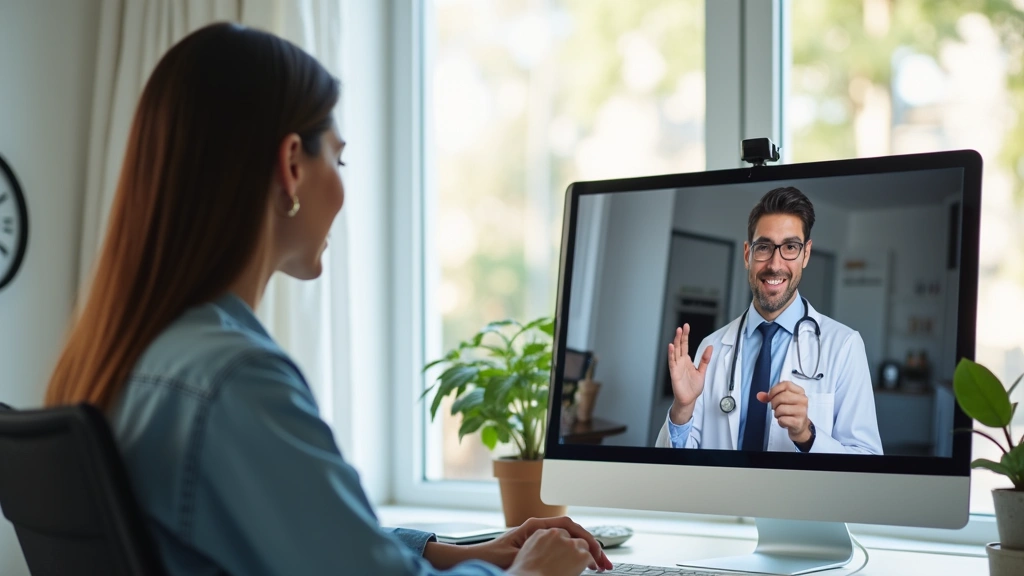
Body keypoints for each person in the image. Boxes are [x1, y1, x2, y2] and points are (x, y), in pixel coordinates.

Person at [44, 23, 613, 576]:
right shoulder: (234, 380)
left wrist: (453, 552)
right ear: (291, 165)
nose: (342, 187)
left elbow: (303, 538)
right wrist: (532, 574)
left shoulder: (134, 355)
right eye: (337, 160)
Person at [655, 187, 883, 455]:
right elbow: (676, 465)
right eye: (763, 247)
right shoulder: (711, 348)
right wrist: (682, 408)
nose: (775, 264)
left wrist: (806, 434)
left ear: (806, 254)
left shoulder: (844, 345)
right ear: (747, 254)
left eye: (790, 247)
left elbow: (867, 460)